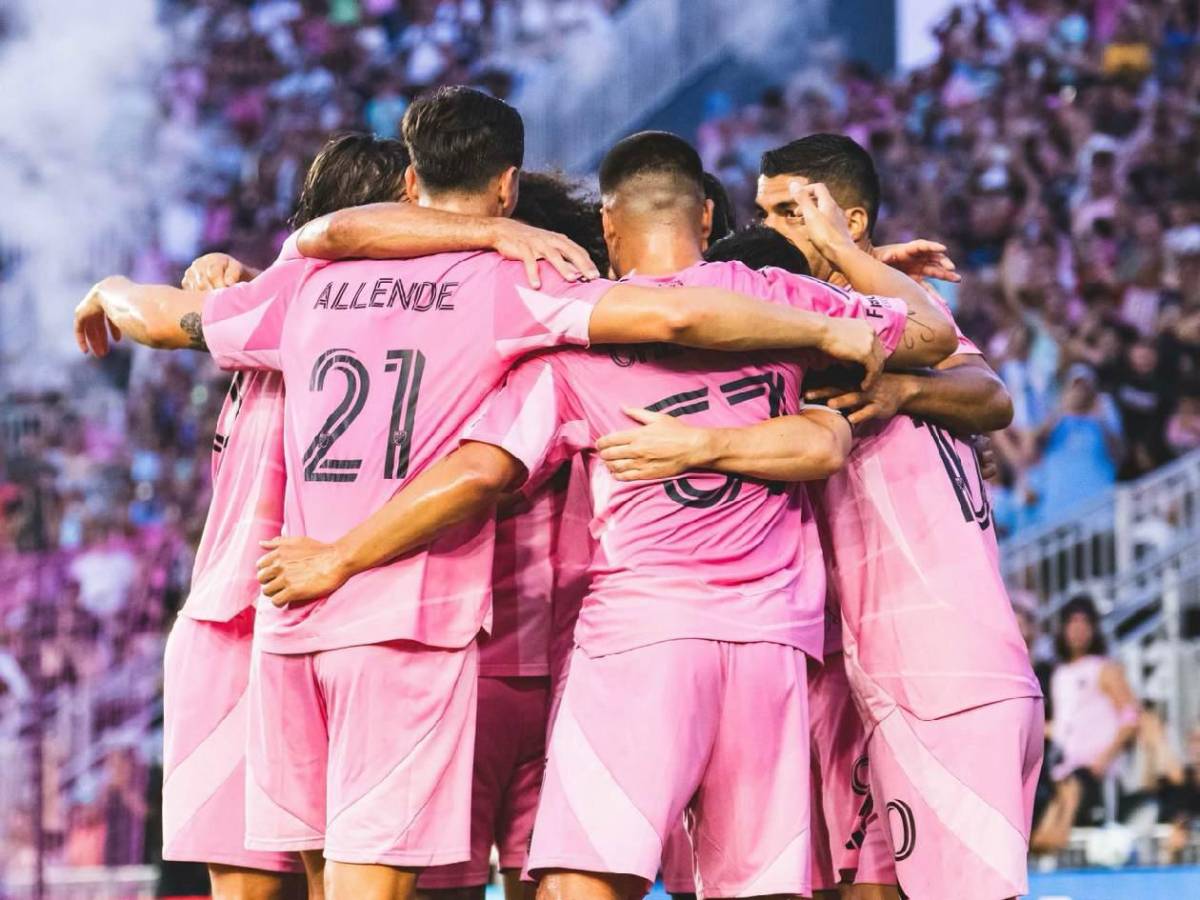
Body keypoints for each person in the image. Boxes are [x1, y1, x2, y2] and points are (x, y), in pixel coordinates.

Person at [81, 93, 927, 900]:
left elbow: (178, 313)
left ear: (411, 185)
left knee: (316, 881)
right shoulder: (517, 286)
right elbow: (678, 321)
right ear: (509, 186)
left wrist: (107, 292)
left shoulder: (300, 282)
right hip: (419, 621)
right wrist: (825, 314)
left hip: (287, 612)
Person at [606, 132, 1043, 900]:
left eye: (793, 210)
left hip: (939, 668)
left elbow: (991, 394)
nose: (775, 227)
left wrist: (897, 377)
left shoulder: (876, 333)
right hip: (845, 672)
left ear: (851, 219)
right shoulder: (823, 324)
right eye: (767, 210)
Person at [75, 132, 418, 900]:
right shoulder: (312, 300)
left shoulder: (275, 300)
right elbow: (170, 318)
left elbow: (163, 315)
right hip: (259, 617)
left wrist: (110, 288)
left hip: (270, 618)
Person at [1033, 594, 1139, 854]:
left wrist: (1106, 755)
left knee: (1069, 795)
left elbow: (1130, 716)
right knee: (1049, 796)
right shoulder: (1060, 674)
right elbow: (1065, 724)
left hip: (1097, 767)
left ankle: (1051, 851)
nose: (1078, 630)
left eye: (1084, 623)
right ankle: (1038, 854)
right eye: (1073, 623)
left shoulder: (1104, 669)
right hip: (1066, 764)